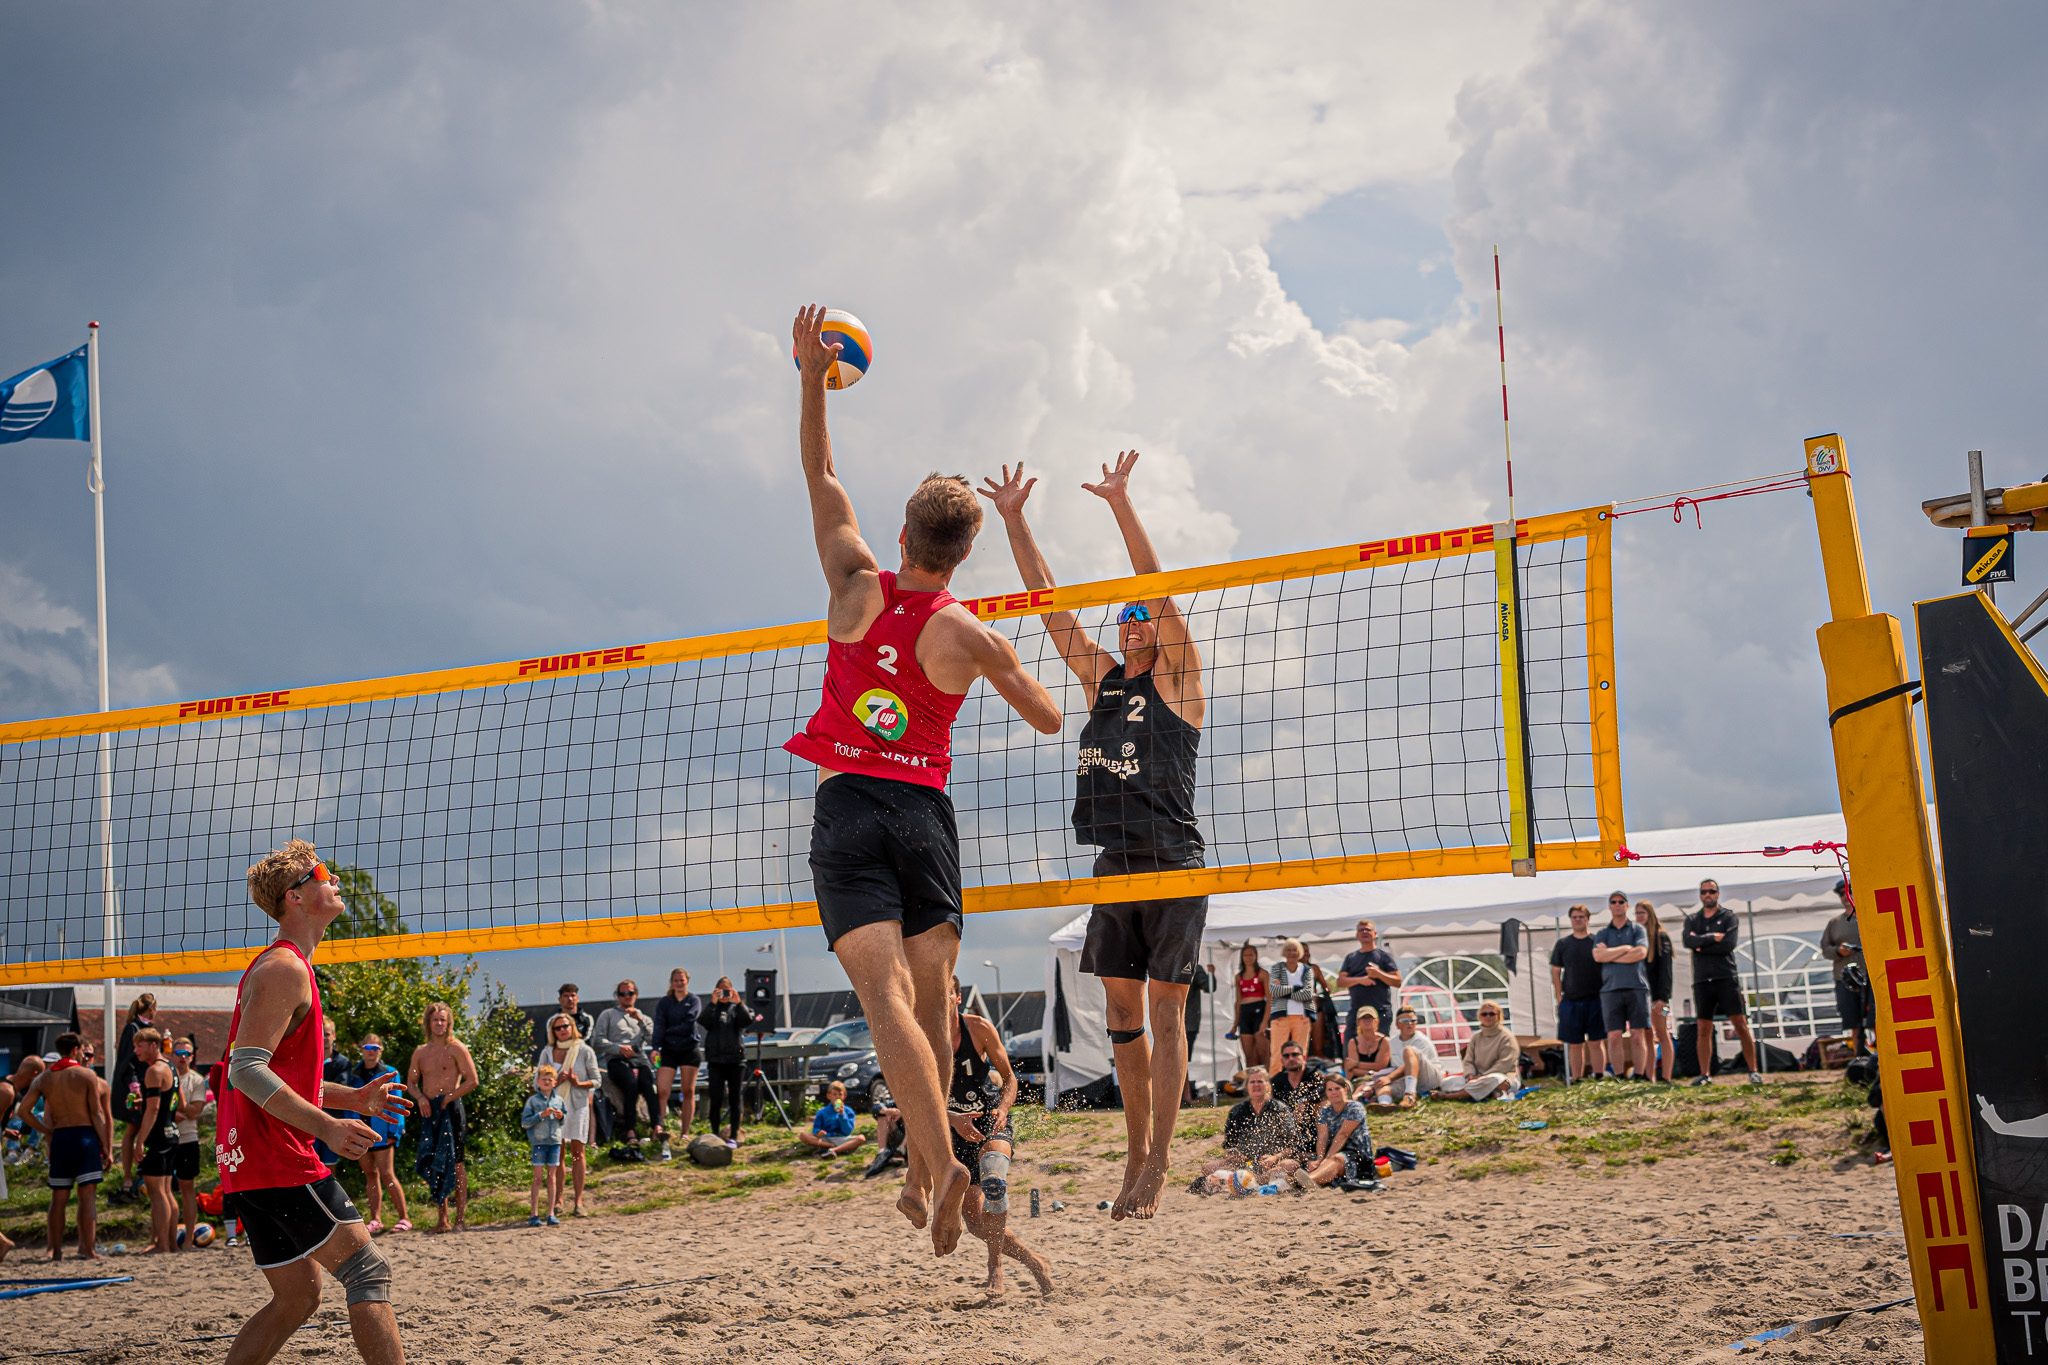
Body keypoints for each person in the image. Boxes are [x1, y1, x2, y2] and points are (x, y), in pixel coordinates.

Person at [784, 303, 1062, 1257]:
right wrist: (993, 657)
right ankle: (926, 1171)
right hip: (923, 812)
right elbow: (1049, 716)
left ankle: (935, 1164)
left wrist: (808, 377)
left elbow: (821, 475)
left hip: (848, 803)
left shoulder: (855, 582)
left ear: (901, 531)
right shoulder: (970, 634)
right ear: (964, 552)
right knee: (934, 995)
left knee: (885, 1002)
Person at [981, 450, 1206, 1222]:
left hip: (1173, 859)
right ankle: (1136, 1151)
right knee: (1121, 1019)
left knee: (1169, 1014)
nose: (1131, 619)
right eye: (1126, 616)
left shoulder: (1178, 679)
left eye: (1139, 615)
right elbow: (1048, 607)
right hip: (1113, 860)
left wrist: (1120, 504)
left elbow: (1157, 589)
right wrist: (1014, 519)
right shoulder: (1103, 678)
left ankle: (1161, 1162)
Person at [218, 840, 410, 1365]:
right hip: (276, 1156)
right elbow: (245, 1071)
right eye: (323, 873)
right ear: (295, 896)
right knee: (367, 1272)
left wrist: (356, 1098)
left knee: (297, 1297)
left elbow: (279, 1076)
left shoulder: (287, 965)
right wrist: (327, 1126)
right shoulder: (285, 968)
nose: (336, 880)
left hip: (251, 1160)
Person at [941, 980, 1052, 1296]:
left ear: (958, 997)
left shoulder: (977, 1029)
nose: (940, 999)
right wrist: (952, 1118)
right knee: (976, 1222)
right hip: (952, 1129)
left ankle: (995, 1270)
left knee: (993, 1179)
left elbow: (1010, 1078)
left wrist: (1004, 1107)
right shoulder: (923, 1034)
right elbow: (918, 1098)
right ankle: (1034, 1262)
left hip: (989, 1117)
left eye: (946, 992)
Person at [19, 1032, 106, 1260]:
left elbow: (23, 1111)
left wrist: (45, 1131)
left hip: (60, 1137)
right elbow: (97, 1114)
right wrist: (105, 1146)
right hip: (84, 1135)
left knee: (58, 1199)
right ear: (76, 1049)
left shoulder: (45, 1078)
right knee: (87, 1197)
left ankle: (55, 1251)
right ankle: (88, 1249)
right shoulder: (86, 1074)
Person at [405, 1000, 477, 1232]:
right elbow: (411, 1083)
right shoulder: (421, 1052)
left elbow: (472, 1080)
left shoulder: (456, 1048)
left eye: (443, 1020)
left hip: (452, 1108)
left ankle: (460, 1219)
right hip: (430, 1110)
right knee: (435, 1162)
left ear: (449, 1023)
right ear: (428, 1023)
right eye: (435, 1020)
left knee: (456, 1162)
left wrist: (449, 1098)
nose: (439, 1024)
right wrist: (421, 1098)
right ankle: (442, 1219)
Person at [1685, 879, 1761, 1085]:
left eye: (1711, 891)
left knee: (1740, 1024)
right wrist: (1712, 937)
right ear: (1700, 895)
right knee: (1703, 1028)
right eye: (1704, 892)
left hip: (1725, 977)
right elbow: (1687, 942)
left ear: (1718, 894)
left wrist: (1701, 943)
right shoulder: (1693, 919)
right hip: (1702, 980)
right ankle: (1705, 1074)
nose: (1707, 895)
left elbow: (1728, 944)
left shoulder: (1728, 916)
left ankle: (1753, 1070)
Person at [537, 1014, 599, 1216]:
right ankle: (559, 1199)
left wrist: (577, 1082)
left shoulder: (584, 1050)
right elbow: (536, 1082)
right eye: (558, 1028)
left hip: (578, 1103)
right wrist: (554, 1082)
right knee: (558, 1152)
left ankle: (579, 1201)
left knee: (578, 1151)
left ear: (572, 1027)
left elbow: (596, 1080)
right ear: (552, 1032)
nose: (562, 1030)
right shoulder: (547, 1052)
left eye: (565, 1026)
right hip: (555, 1106)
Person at [593, 981, 663, 1160]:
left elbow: (653, 1039)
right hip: (617, 1060)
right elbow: (598, 1041)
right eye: (623, 994)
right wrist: (619, 1048)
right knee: (631, 1085)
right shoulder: (608, 1015)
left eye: (630, 993)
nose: (627, 996)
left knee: (648, 1086)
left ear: (636, 995)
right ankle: (630, 1131)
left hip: (639, 1059)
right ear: (617, 996)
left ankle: (657, 1127)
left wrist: (639, 1020)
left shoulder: (644, 1018)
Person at [345, 1037, 407, 1234]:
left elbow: (397, 1102)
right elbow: (347, 1101)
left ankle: (404, 1217)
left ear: (381, 1050)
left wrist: (394, 1131)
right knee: (370, 1175)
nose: (371, 1051)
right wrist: (350, 1130)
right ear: (361, 1049)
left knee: (387, 1174)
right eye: (368, 1047)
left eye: (375, 1048)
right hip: (361, 1130)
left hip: (382, 1131)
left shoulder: (389, 1072)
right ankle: (375, 1219)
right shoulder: (354, 1073)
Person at [1592, 891, 1652, 1082]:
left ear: (1627, 905)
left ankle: (1640, 1075)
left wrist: (1610, 954)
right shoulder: (1602, 933)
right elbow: (1597, 957)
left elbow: (1641, 953)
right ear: (1610, 906)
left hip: (1636, 987)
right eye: (1613, 902)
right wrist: (1625, 949)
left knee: (1637, 1034)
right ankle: (1619, 1076)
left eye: (1621, 902)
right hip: (1610, 990)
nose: (1617, 905)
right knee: (1614, 1035)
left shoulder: (1637, 930)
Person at [131, 1027, 180, 1254]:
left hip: (157, 1136)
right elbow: (174, 1102)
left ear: (153, 1045)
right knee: (167, 1191)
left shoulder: (153, 1070)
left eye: (139, 1046)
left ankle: (161, 1245)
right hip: (171, 1132)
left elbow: (153, 1109)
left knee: (157, 1192)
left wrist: (140, 1140)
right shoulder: (171, 1067)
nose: (135, 1051)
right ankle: (169, 1244)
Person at [1548, 905, 1607, 1080]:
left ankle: (1599, 1076)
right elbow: (1556, 972)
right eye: (1574, 917)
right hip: (1571, 1001)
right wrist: (1559, 998)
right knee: (1575, 1044)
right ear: (1570, 919)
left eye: (1581, 917)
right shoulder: (1563, 944)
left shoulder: (1597, 942)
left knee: (1596, 1042)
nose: (1578, 920)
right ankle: (1576, 1078)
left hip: (1596, 999)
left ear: (1588, 919)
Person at [109, 992, 156, 1204]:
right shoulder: (133, 1028)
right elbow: (127, 1060)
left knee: (143, 1129)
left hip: (147, 1084)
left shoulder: (144, 1027)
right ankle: (128, 1177)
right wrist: (134, 1086)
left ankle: (141, 1174)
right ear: (152, 1008)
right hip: (134, 1086)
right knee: (132, 1130)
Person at [700, 977, 757, 1148]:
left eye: (727, 991)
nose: (724, 995)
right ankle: (715, 1133)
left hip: (735, 1060)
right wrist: (712, 1003)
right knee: (716, 1098)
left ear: (732, 991)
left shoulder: (737, 1009)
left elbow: (747, 1021)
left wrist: (739, 1003)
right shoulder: (713, 1009)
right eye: (721, 991)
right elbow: (702, 1021)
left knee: (734, 1098)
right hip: (716, 1060)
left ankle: (733, 1135)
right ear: (716, 991)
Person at [1819, 879, 1872, 1057]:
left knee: (1876, 1020)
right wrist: (1839, 951)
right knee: (1853, 1023)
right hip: (1846, 979)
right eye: (1841, 893)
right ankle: (1859, 1058)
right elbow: (1825, 950)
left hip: (1871, 977)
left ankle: (1880, 1060)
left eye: (1847, 891)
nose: (1844, 896)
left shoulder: (1870, 915)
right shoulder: (1834, 923)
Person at [652, 967, 702, 1155]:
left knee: (687, 1091)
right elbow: (659, 1024)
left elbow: (690, 1021)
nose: (679, 984)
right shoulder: (665, 1003)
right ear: (671, 982)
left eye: (682, 980)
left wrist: (669, 1031)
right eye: (676, 981)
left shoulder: (694, 1000)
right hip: (668, 1050)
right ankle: (661, 1128)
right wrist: (655, 1047)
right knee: (662, 1090)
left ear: (687, 981)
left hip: (689, 1048)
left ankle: (685, 1132)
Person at [170, 1037, 211, 1247]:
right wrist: (170, 1114)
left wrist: (178, 1109)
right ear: (172, 1055)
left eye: (186, 1054)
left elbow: (195, 1113)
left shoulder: (195, 1080)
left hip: (187, 1139)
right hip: (166, 1138)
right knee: (163, 1190)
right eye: (179, 1054)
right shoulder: (163, 1075)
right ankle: (165, 1238)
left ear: (192, 1057)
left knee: (187, 1188)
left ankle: (188, 1238)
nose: (182, 1058)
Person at [1335, 920, 1401, 1045]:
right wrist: (1361, 980)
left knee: (1380, 1047)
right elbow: (1341, 982)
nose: (1365, 932)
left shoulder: (1384, 957)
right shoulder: (1351, 957)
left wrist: (1378, 974)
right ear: (1357, 935)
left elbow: (1397, 981)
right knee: (1351, 1047)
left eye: (1368, 929)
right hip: (1357, 1011)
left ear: (1375, 934)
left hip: (1380, 1011)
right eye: (1361, 930)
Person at [1307, 1073, 1377, 1189]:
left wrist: (1326, 1159)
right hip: (1334, 1152)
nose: (1334, 1092)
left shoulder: (1355, 1108)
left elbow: (1343, 1135)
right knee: (1308, 1160)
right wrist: (1319, 1159)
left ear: (1345, 1089)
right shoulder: (1325, 1111)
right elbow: (1322, 1137)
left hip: (1358, 1156)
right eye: (1330, 1090)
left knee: (1336, 1159)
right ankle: (1296, 1181)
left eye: (1337, 1089)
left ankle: (1309, 1180)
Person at [1369, 1008, 1444, 1107]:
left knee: (1408, 1050)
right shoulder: (1392, 1042)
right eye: (1404, 1021)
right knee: (1381, 1084)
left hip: (1430, 1079)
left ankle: (1410, 1096)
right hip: (1406, 1078)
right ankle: (1385, 1104)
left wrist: (1389, 1077)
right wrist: (1382, 1078)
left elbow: (1412, 1065)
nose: (1410, 1024)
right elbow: (1394, 1067)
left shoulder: (1421, 1040)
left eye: (1413, 1020)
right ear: (1397, 1024)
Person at [1636, 902, 1677, 1081]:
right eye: (1637, 913)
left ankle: (1666, 1076)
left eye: (1643, 913)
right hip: (1643, 995)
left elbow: (1665, 971)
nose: (1640, 916)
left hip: (1659, 997)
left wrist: (1663, 997)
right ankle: (1649, 1075)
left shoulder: (1660, 937)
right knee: (1647, 1034)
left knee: (1662, 1031)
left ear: (1650, 914)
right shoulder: (1638, 939)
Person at [521, 1066, 566, 1227]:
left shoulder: (559, 1100)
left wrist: (561, 1117)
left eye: (550, 1079)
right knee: (538, 1178)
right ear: (538, 1082)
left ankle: (550, 1213)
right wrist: (541, 1115)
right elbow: (525, 1122)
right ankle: (533, 1213)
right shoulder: (533, 1101)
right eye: (544, 1079)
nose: (547, 1082)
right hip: (539, 1143)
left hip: (554, 1142)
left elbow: (564, 1119)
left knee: (552, 1178)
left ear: (555, 1082)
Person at [1447, 1004, 1520, 1101]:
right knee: (1448, 1082)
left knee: (1494, 1080)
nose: (1488, 1017)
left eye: (1491, 1014)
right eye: (1484, 1014)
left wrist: (1482, 1077)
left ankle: (1454, 1096)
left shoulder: (1506, 1037)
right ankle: (1488, 1093)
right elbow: (1468, 1061)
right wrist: (1470, 1075)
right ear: (1480, 1017)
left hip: (1501, 1076)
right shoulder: (1476, 1037)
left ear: (1498, 1016)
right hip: (1477, 1078)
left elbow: (1505, 1064)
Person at [1265, 939, 1316, 1064]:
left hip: (1302, 1017)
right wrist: (1296, 988)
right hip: (1280, 1017)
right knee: (1277, 1054)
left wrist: (1284, 992)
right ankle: (1275, 1082)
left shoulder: (1306, 970)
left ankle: (1300, 1082)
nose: (1292, 953)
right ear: (1284, 952)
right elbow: (1274, 991)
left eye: (1294, 950)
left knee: (1300, 1054)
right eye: (1288, 950)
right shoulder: (1277, 968)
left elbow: (1307, 993)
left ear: (1299, 952)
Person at [801, 1080, 868, 1157]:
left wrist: (842, 1115)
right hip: (826, 1139)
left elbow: (847, 1131)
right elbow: (816, 1129)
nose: (837, 1097)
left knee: (861, 1138)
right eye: (834, 1094)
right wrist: (818, 1133)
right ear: (828, 1096)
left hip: (842, 1138)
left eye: (840, 1094)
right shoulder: (822, 1112)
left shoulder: (848, 1111)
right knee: (804, 1135)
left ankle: (832, 1151)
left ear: (844, 1096)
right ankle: (832, 1146)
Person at [1231, 944, 1270, 1070]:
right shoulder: (1238, 977)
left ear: (1256, 956)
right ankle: (1250, 1084)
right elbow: (1238, 1001)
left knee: (1263, 1053)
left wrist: (1265, 1021)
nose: (1248, 958)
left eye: (1251, 955)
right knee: (1249, 1056)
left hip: (1259, 1010)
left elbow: (1270, 999)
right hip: (1244, 1013)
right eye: (1246, 955)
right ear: (1242, 957)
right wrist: (1235, 1025)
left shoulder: (1263, 974)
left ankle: (1268, 1083)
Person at [1344, 1007, 1391, 1082]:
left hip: (1380, 1080)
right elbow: (1352, 1069)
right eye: (1363, 1018)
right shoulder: (1353, 1042)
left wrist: (1356, 1063)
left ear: (1376, 1021)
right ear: (1358, 1022)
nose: (1367, 1021)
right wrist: (1370, 1072)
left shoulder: (1384, 1041)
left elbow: (1380, 1066)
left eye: (1370, 1018)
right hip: (1359, 1080)